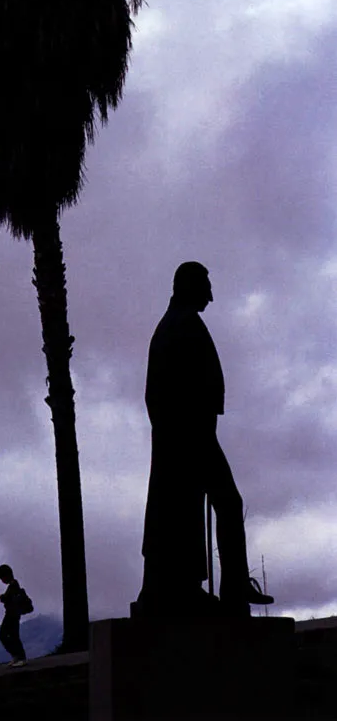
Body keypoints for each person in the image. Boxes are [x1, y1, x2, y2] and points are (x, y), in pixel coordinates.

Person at [137, 262, 274, 617]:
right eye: (206, 287)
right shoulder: (177, 327)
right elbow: (162, 393)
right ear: (188, 287)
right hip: (189, 436)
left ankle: (226, 587)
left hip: (191, 434)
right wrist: (187, 429)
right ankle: (221, 588)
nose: (211, 296)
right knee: (220, 503)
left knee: (210, 505)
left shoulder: (178, 325)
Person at [0, 564, 27, 667]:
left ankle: (20, 657)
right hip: (12, 614)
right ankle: (17, 656)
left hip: (12, 614)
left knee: (5, 635)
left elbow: (11, 599)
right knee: (12, 635)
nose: (2, 581)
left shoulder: (13, 586)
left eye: (2, 578)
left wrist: (3, 597)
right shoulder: (13, 585)